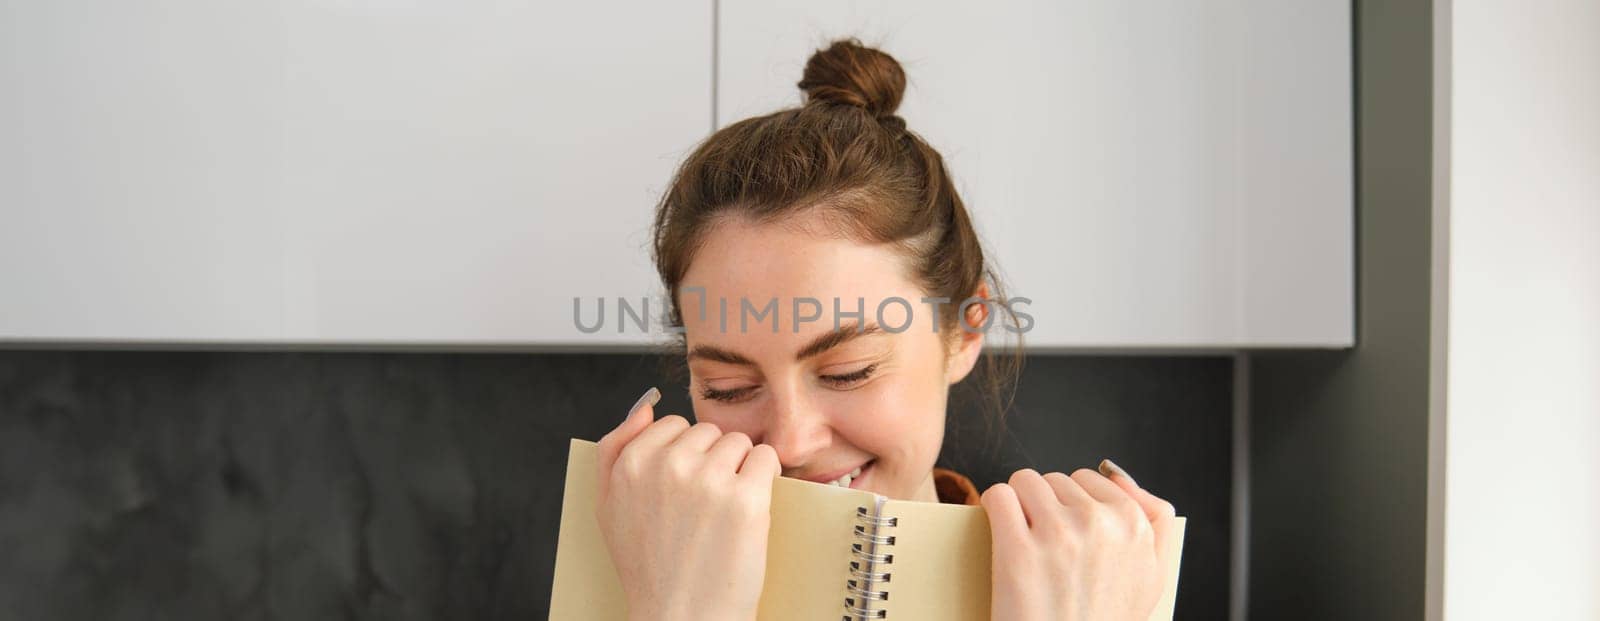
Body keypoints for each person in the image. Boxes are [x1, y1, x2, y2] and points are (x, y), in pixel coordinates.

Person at [592, 37, 1180, 621]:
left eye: (849, 373)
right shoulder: (627, 577)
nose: (791, 443)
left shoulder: (1103, 592)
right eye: (727, 387)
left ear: (965, 331)